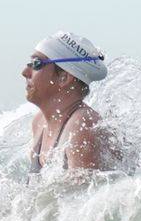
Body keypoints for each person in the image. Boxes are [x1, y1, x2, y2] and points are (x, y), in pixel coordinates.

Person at [23, 30, 113, 173]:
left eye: (36, 63)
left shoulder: (83, 125)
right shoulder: (39, 122)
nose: (25, 72)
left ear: (64, 77)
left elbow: (87, 187)